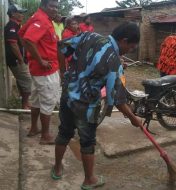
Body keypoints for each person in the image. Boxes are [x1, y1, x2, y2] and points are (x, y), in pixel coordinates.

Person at [51, 22, 143, 189]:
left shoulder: (88, 35)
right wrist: (133, 118)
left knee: (64, 133)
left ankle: (57, 169)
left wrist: (63, 74)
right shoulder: (114, 62)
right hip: (87, 108)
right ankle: (89, 180)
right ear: (124, 40)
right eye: (130, 47)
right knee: (87, 142)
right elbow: (118, 101)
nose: (129, 51)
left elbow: (61, 46)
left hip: (67, 97)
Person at [18, 0, 60, 144]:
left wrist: (31, 56)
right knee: (48, 102)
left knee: (36, 100)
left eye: (56, 6)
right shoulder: (42, 20)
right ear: (43, 6)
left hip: (37, 70)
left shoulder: (37, 17)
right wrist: (40, 59)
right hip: (46, 70)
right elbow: (28, 40)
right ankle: (45, 136)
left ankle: (34, 128)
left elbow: (21, 34)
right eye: (52, 6)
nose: (55, 9)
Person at [4, 4, 32, 109]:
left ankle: (23, 102)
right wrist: (21, 59)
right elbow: (13, 44)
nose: (22, 15)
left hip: (18, 59)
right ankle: (25, 105)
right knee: (28, 81)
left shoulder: (16, 25)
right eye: (19, 13)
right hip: (16, 60)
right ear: (13, 14)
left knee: (22, 80)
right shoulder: (12, 26)